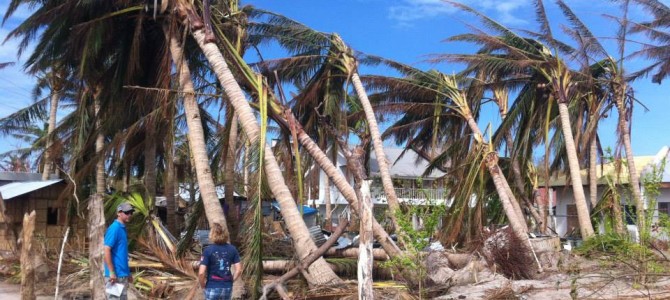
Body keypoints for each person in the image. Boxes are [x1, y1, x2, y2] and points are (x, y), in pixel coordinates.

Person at [199, 223, 242, 300]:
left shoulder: (208, 250)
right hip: (227, 286)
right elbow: (238, 270)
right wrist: (232, 280)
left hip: (212, 286)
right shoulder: (233, 249)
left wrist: (203, 285)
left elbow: (201, 273)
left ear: (212, 235)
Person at [104, 202, 134, 300]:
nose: (129, 215)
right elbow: (106, 250)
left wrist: (128, 273)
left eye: (131, 212)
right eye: (127, 212)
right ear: (119, 213)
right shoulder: (115, 228)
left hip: (122, 274)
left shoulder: (122, 229)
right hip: (115, 276)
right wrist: (112, 272)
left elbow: (122, 254)